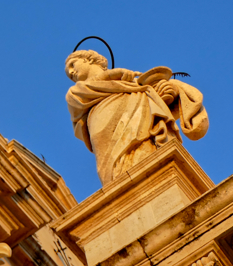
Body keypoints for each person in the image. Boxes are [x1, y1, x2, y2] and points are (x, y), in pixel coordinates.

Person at [65, 49, 208, 185]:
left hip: (142, 133)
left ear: (89, 60)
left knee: (148, 161)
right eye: (69, 73)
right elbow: (78, 96)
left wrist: (170, 91)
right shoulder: (76, 94)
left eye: (73, 64)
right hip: (106, 138)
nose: (71, 72)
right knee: (117, 178)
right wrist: (112, 75)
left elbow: (155, 105)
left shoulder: (132, 85)